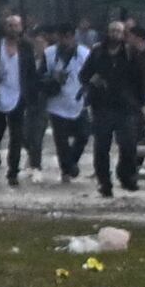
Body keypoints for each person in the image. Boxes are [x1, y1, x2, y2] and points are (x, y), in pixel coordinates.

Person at [83, 19, 145, 199]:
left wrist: (139, 103)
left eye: (118, 31)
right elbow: (84, 75)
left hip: (126, 107)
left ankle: (127, 176)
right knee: (101, 147)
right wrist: (94, 80)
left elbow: (139, 80)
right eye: (112, 31)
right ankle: (104, 182)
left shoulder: (130, 53)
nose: (115, 35)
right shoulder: (97, 52)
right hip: (102, 106)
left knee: (128, 145)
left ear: (123, 34)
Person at [0, 15, 31, 188]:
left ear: (21, 28)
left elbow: (30, 72)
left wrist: (30, 95)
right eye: (10, 25)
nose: (13, 29)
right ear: (5, 28)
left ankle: (13, 172)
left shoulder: (26, 47)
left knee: (16, 137)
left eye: (16, 25)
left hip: (18, 98)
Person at [44, 25, 91, 182]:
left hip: (78, 102)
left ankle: (71, 162)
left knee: (83, 135)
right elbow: (40, 77)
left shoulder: (85, 54)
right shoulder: (49, 54)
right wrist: (53, 79)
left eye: (70, 36)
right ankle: (66, 170)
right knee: (61, 140)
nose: (66, 40)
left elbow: (91, 74)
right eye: (63, 36)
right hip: (56, 104)